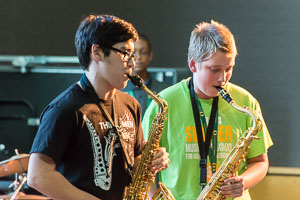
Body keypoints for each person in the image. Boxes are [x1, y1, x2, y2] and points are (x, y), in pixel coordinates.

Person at [27, 14, 169, 200]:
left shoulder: (130, 104)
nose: (132, 63)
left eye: (132, 54)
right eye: (125, 53)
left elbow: (135, 165)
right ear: (97, 52)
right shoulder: (65, 109)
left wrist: (152, 161)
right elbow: (38, 176)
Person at [142, 20, 273, 200]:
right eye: (214, 70)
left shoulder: (245, 101)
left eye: (229, 68)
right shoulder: (163, 103)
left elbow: (260, 162)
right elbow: (143, 167)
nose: (223, 78)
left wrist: (244, 181)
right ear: (193, 65)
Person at [122, 34, 169, 117]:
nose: (139, 57)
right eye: (134, 53)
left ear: (150, 56)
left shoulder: (163, 90)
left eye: (143, 52)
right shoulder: (117, 89)